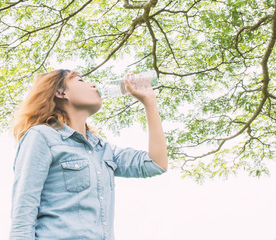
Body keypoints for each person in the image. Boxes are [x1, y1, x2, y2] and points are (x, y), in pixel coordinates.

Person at [9, 69, 168, 240]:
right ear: (60, 92)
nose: (93, 85)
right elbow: (23, 212)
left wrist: (150, 103)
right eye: (81, 80)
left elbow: (155, 164)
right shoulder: (42, 137)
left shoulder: (102, 149)